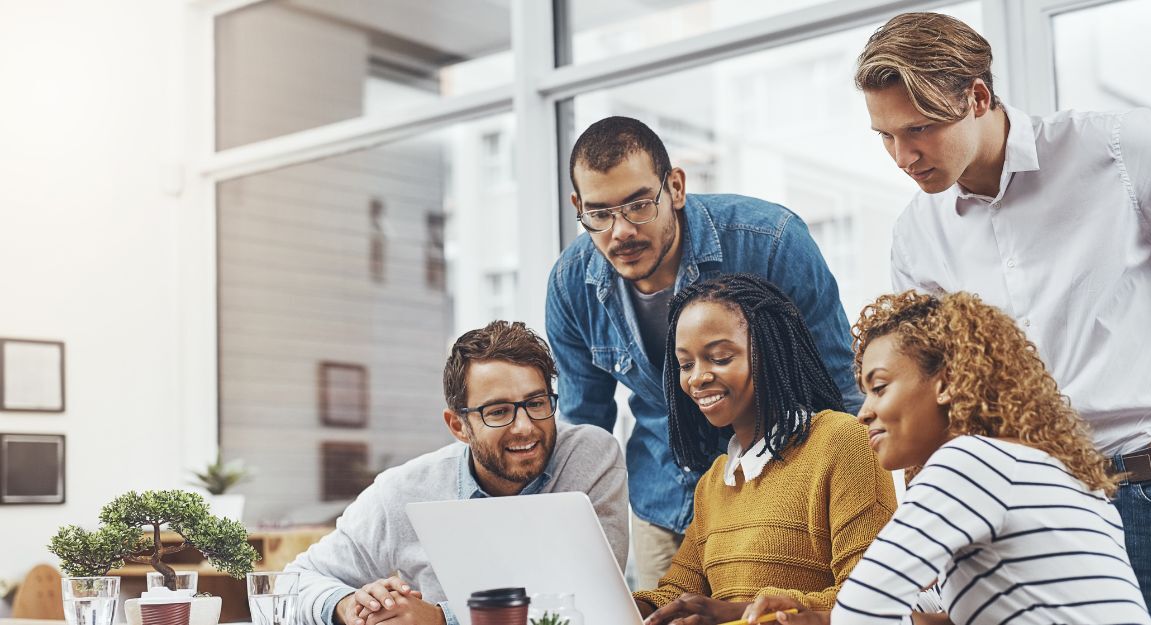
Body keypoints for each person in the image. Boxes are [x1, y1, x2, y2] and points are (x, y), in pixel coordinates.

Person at [854, 12, 1151, 623]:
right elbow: (930, 404)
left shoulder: (1119, 150)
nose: (902, 155)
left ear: (978, 96)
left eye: (920, 129)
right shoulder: (917, 232)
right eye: (884, 135)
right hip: (1026, 517)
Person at [546, 116, 862, 587]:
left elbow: (838, 389)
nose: (620, 232)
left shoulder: (771, 241)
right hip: (665, 501)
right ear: (578, 207)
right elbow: (583, 430)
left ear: (675, 187)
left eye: (637, 205)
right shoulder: (573, 284)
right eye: (599, 213)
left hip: (782, 490)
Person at [744, 291, 1151, 625]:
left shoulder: (968, 462)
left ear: (947, 384)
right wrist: (818, 618)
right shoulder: (1051, 472)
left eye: (880, 387)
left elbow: (863, 612)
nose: (863, 411)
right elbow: (951, 614)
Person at [284, 321, 628, 625]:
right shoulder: (404, 491)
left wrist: (441, 618)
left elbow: (593, 598)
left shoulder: (589, 456)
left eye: (536, 403)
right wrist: (347, 605)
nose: (525, 427)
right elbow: (295, 582)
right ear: (458, 426)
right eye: (498, 411)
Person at [629, 273, 895, 625]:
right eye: (686, 364)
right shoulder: (713, 483)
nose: (697, 378)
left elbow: (871, 597)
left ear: (771, 353)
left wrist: (737, 614)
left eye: (720, 357)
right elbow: (676, 595)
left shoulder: (841, 441)